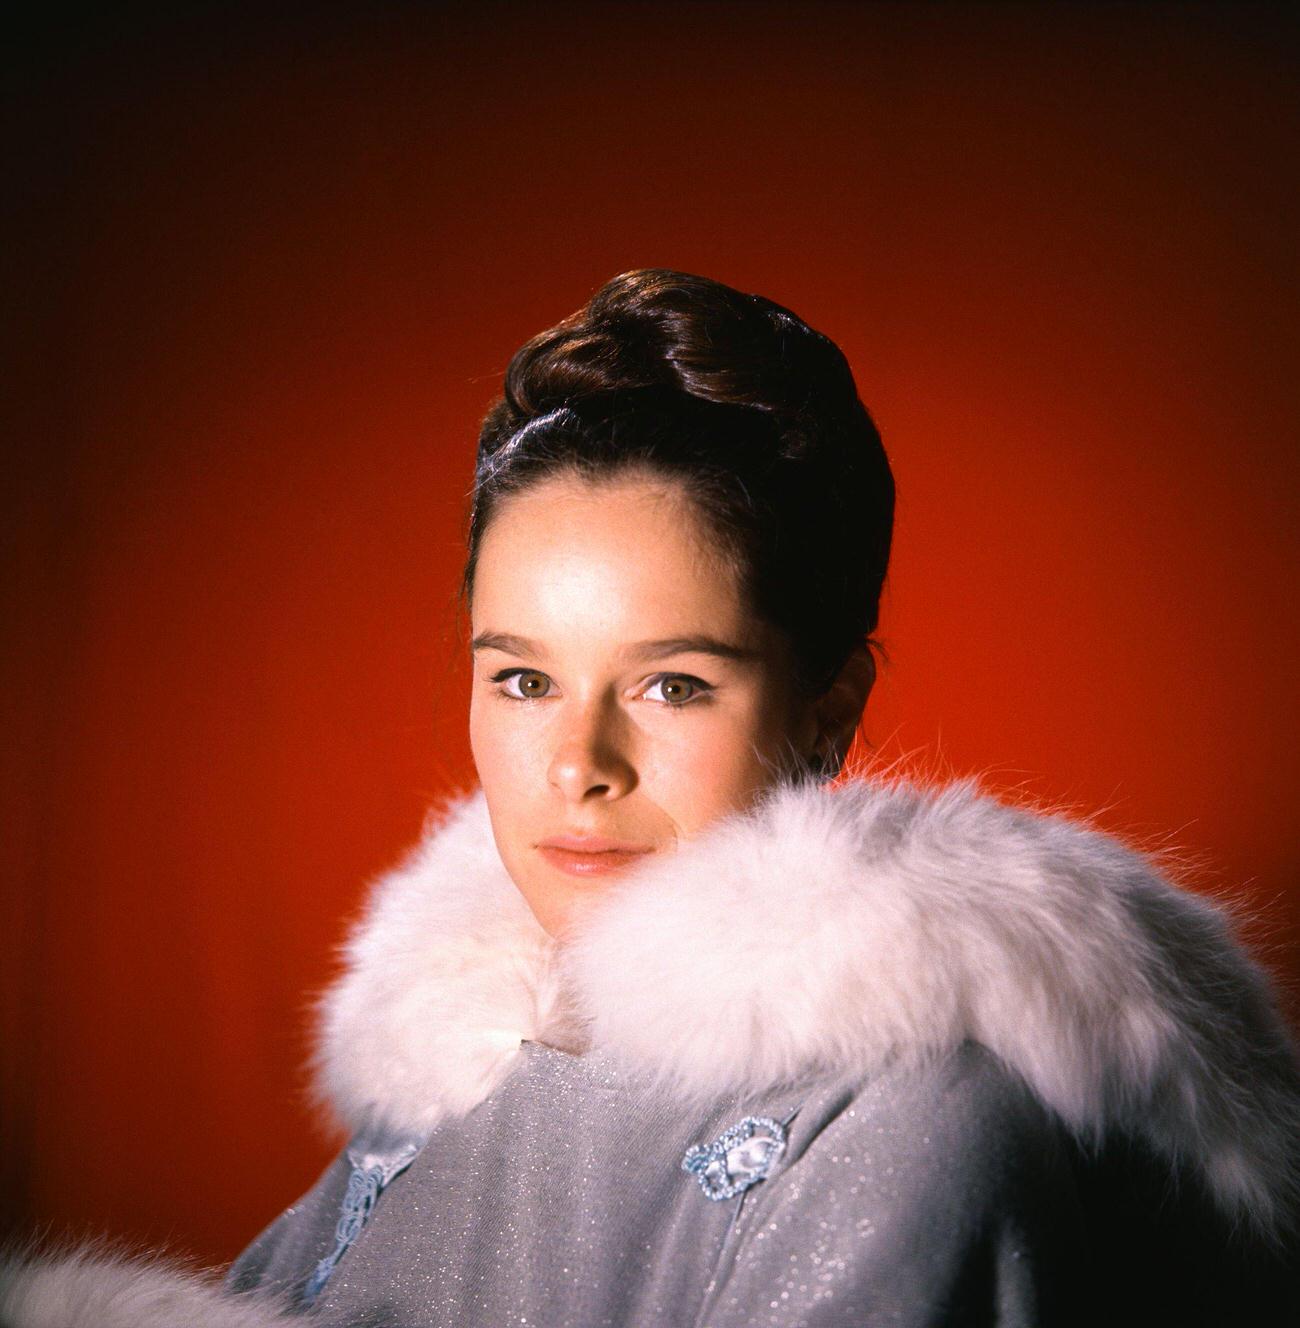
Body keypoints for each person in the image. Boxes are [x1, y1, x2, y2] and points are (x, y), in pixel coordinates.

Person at [3, 268, 1298, 1326]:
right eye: (521, 679)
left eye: (672, 685)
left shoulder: (912, 1127)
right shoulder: (460, 1070)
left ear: (826, 711)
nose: (579, 765)